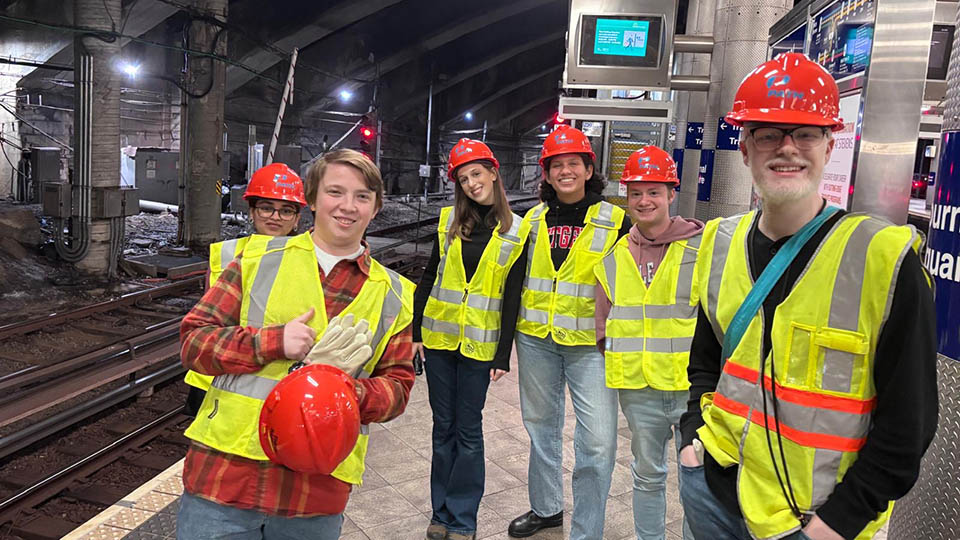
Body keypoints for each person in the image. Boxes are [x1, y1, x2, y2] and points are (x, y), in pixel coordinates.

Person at [677, 52, 938, 540]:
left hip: (815, 520)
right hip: (712, 489)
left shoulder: (884, 258)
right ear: (745, 148)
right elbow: (705, 361)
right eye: (769, 133)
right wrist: (693, 442)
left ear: (829, 143)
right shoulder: (719, 242)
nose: (788, 148)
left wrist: (837, 523)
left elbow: (910, 421)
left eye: (806, 133)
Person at [176, 149, 416, 540]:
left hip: (314, 494)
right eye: (335, 192)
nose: (347, 207)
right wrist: (272, 342)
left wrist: (343, 392)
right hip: (225, 480)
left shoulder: (395, 295)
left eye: (362, 196)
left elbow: (399, 387)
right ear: (314, 199)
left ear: (376, 208)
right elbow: (194, 342)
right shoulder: (255, 261)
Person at [508, 124, 632, 540]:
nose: (565, 171)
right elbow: (512, 279)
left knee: (597, 443)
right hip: (536, 339)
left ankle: (587, 530)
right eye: (556, 165)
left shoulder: (616, 220)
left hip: (591, 347)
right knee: (540, 427)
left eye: (572, 163)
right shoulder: (532, 219)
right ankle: (546, 509)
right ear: (546, 173)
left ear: (588, 168)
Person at [412, 139, 530, 540]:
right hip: (440, 341)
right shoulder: (449, 221)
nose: (471, 184)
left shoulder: (517, 231)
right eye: (463, 179)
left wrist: (503, 355)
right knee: (441, 427)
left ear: (493, 173)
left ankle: (463, 520)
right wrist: (415, 334)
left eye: (476, 174)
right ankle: (439, 515)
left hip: (480, 346)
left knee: (468, 431)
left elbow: (512, 295)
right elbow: (429, 276)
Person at [593, 146, 702, 540]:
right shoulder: (613, 257)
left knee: (698, 480)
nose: (644, 200)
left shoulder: (700, 248)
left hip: (692, 390)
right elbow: (603, 324)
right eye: (636, 192)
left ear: (671, 194)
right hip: (639, 390)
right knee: (647, 476)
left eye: (654, 191)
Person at [184, 162, 307, 417]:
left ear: (297, 218)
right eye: (266, 208)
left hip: (274, 377)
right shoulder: (226, 253)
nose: (275, 217)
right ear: (251, 211)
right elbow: (206, 320)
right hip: (217, 373)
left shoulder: (310, 260)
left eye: (285, 210)